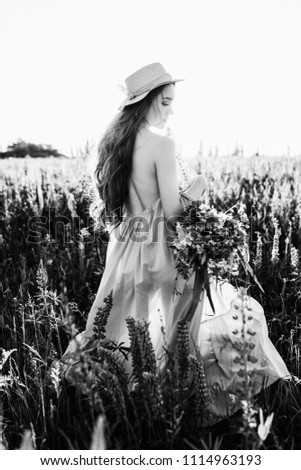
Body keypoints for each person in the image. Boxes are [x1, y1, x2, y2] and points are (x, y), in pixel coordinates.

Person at [62, 62, 290, 425]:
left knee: (119, 327)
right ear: (149, 101)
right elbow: (172, 212)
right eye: (166, 102)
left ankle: (104, 399)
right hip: (163, 251)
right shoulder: (161, 144)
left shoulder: (113, 144)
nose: (171, 110)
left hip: (125, 248)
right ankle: (181, 409)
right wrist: (198, 186)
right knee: (180, 331)